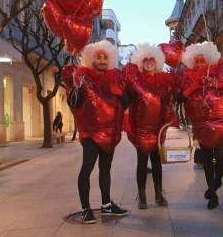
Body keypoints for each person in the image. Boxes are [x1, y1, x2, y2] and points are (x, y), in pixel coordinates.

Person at [62, 40, 129, 223]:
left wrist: (120, 93)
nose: (101, 61)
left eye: (104, 58)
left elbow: (126, 103)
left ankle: (106, 206)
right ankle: (86, 209)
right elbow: (73, 100)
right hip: (91, 133)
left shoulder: (116, 79)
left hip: (111, 133)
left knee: (105, 169)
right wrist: (74, 81)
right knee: (87, 169)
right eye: (98, 58)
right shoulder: (83, 77)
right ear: (92, 59)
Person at [176, 41, 223, 209]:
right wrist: (193, 87)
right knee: (206, 159)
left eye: (202, 59)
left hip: (220, 124)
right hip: (201, 126)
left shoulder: (218, 72)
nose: (199, 62)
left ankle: (217, 182)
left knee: (220, 159)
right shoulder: (186, 77)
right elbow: (179, 98)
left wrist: (219, 84)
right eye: (195, 60)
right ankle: (212, 194)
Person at [123, 43, 176, 209]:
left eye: (151, 59)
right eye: (145, 59)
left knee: (156, 161)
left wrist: (172, 116)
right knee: (141, 162)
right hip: (141, 127)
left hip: (157, 128)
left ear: (157, 61)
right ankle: (142, 195)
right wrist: (126, 121)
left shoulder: (165, 81)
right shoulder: (135, 80)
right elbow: (128, 101)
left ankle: (159, 194)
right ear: (140, 62)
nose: (148, 62)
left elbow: (169, 101)